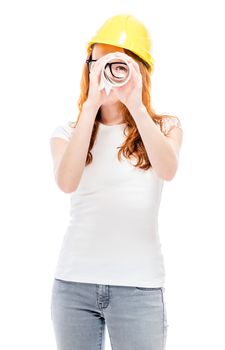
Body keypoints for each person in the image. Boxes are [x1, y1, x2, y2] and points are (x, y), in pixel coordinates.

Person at [49, 13, 183, 350]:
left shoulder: (165, 127)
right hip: (73, 286)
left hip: (139, 288)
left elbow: (168, 169)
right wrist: (92, 104)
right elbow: (66, 182)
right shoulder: (68, 133)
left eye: (119, 64)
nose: (109, 74)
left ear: (138, 71)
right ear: (89, 67)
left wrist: (135, 105)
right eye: (101, 63)